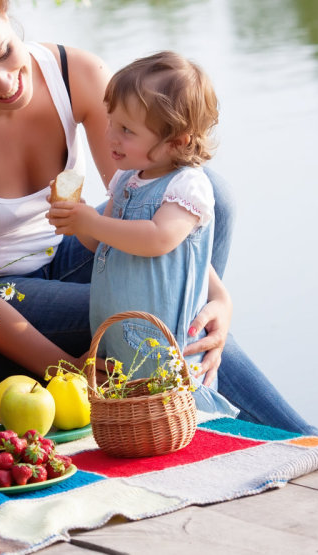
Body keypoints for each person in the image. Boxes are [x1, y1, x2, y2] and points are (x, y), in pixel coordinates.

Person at [0, 0, 318, 434]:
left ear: (7, 16)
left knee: (208, 191)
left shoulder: (76, 73)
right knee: (155, 317)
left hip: (74, 253)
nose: (5, 82)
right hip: (1, 303)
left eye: (5, 52)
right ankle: (305, 440)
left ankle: (192, 391)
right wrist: (69, 371)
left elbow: (150, 203)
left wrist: (217, 297)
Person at [47, 51, 238, 415]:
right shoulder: (126, 180)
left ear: (177, 142)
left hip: (164, 339)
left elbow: (156, 239)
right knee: (131, 401)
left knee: (178, 408)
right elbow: (105, 243)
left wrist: (92, 221)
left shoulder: (187, 187)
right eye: (111, 123)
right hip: (120, 331)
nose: (111, 137)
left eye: (126, 130)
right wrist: (76, 223)